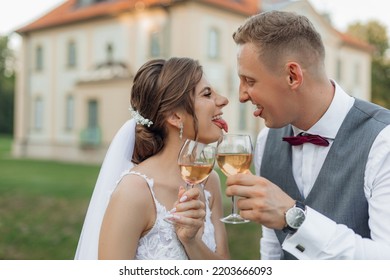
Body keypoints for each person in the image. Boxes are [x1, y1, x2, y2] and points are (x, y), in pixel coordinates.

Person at [226, 10, 390, 259]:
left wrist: (294, 218)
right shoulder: (265, 142)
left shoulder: (383, 140)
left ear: (293, 76)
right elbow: (272, 245)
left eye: (249, 80)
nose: (241, 95)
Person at [75, 57, 230, 260]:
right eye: (207, 94)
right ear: (175, 116)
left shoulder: (209, 182)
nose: (223, 100)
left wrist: (191, 242)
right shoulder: (134, 192)